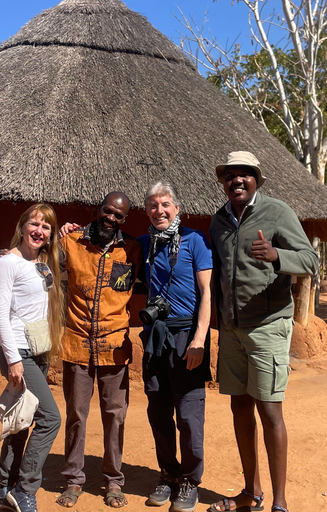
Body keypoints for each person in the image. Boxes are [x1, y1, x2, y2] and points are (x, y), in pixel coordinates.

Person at [207, 152, 319, 512]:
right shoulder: (218, 222)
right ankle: (250, 492)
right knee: (240, 407)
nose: (236, 181)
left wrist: (276, 256)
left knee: (270, 411)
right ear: (224, 183)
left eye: (244, 175)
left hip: (268, 325)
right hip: (232, 328)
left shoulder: (278, 212)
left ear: (257, 179)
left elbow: (310, 261)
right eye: (230, 176)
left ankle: (280, 501)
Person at [56, 192, 143, 509]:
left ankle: (113, 481)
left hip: (114, 345)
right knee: (76, 414)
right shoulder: (72, 242)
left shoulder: (131, 249)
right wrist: (60, 231)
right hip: (77, 342)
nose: (112, 218)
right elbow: (40, 260)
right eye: (108, 211)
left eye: (118, 216)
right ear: (98, 210)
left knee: (115, 416)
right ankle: (73, 479)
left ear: (124, 220)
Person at [137, 182, 212, 512]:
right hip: (155, 338)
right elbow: (103, 242)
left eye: (165, 204)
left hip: (186, 338)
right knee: (158, 411)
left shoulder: (196, 241)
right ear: (147, 212)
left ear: (177, 208)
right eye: (153, 206)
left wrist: (199, 339)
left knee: (189, 413)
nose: (159, 211)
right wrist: (72, 228)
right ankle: (168, 474)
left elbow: (207, 293)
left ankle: (190, 480)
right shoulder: (143, 244)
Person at [0, 204, 65, 512]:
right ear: (22, 226)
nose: (39, 231)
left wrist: (67, 233)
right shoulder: (8, 263)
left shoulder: (43, 264)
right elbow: (0, 317)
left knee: (21, 421)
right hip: (20, 353)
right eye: (34, 224)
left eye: (46, 227)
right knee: (50, 418)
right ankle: (25, 489)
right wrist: (13, 360)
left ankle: (5, 488)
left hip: (39, 349)